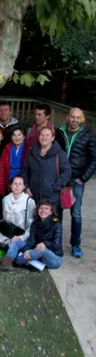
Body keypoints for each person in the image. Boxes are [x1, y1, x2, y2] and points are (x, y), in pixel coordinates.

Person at [55, 107, 96, 258]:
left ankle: (76, 244)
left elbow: (94, 158)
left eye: (78, 117)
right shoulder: (59, 131)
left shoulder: (88, 134)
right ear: (68, 117)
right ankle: (56, 242)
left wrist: (83, 178)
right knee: (57, 211)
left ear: (82, 119)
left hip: (77, 179)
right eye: (72, 117)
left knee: (76, 213)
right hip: (60, 177)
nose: (75, 120)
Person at [0, 200, 63, 271]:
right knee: (16, 242)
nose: (43, 210)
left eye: (46, 208)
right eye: (41, 208)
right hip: (36, 252)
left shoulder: (56, 223)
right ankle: (8, 262)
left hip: (53, 258)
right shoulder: (35, 223)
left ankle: (15, 262)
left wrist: (45, 244)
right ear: (37, 210)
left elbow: (57, 245)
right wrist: (27, 250)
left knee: (42, 249)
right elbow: (31, 241)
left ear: (51, 212)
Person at [23, 127, 70, 213]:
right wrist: (26, 186)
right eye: (42, 135)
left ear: (52, 138)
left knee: (53, 223)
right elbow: (25, 170)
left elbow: (67, 172)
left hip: (52, 197)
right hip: (34, 195)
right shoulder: (32, 152)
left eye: (47, 135)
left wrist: (55, 187)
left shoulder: (60, 153)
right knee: (35, 222)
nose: (44, 137)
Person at [0, 175, 36, 250]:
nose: (17, 186)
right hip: (8, 231)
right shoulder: (5, 199)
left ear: (24, 187)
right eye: (15, 184)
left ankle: (11, 252)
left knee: (13, 245)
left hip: (22, 234)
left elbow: (32, 224)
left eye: (20, 184)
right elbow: (4, 218)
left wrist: (22, 237)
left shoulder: (29, 202)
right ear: (11, 186)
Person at [0, 127, 28, 194]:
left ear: (24, 137)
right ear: (11, 138)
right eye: (14, 135)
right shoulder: (7, 148)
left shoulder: (28, 148)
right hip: (9, 180)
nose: (17, 138)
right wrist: (1, 187)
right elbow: (2, 169)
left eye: (19, 135)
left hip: (24, 181)